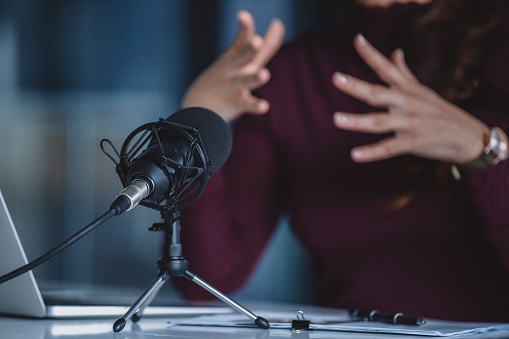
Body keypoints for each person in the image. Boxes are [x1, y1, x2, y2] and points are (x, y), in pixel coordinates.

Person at [177, 0, 509, 322]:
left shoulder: (498, 49)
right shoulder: (290, 74)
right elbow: (205, 281)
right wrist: (197, 124)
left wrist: (486, 149)